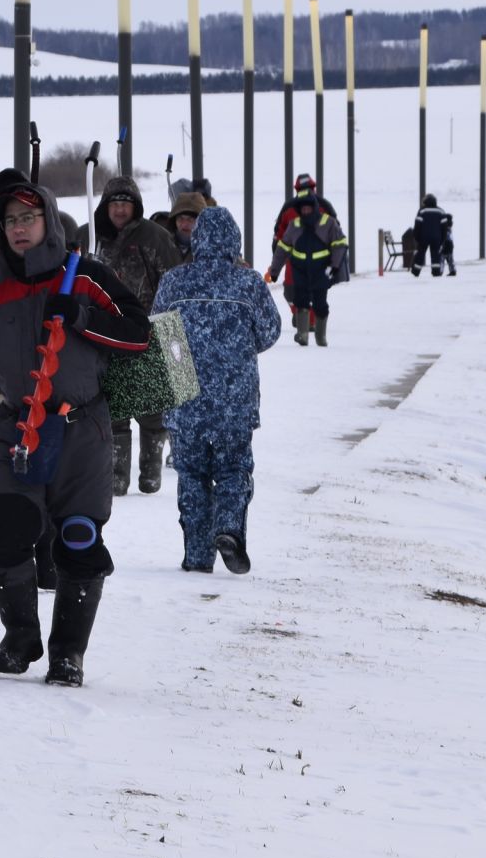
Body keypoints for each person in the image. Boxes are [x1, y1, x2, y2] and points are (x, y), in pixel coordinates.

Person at [0, 171, 150, 687]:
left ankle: (68, 654)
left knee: (79, 540)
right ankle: (20, 638)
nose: (20, 228)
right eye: (10, 221)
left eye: (29, 217)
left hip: (81, 427)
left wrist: (83, 318)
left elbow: (140, 335)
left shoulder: (85, 275)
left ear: (48, 219)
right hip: (16, 427)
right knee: (2, 535)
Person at [152, 207, 281, 573]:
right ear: (234, 241)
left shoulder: (174, 282)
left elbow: (158, 330)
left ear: (197, 239)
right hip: (234, 397)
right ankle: (228, 527)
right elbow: (270, 331)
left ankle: (196, 556)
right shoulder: (249, 283)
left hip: (184, 394)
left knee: (191, 474)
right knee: (233, 468)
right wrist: (237, 350)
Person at [93, 174, 183, 496]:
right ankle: (117, 475)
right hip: (106, 332)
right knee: (115, 408)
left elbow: (173, 282)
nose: (119, 210)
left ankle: (150, 471)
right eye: (114, 204)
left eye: (125, 204)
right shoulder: (95, 238)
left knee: (150, 409)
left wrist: (168, 327)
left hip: (148, 330)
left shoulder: (154, 237)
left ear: (136, 207)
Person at [273, 189, 349, 346]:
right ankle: (302, 335)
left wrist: (335, 266)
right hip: (299, 270)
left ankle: (321, 338)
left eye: (308, 208)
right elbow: (282, 249)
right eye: (303, 208)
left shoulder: (328, 223)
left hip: (321, 271)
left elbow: (340, 244)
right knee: (300, 301)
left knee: (320, 304)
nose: (306, 211)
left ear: (314, 208)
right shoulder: (294, 226)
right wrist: (274, 271)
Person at [411, 194, 456, 276]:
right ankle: (436, 272)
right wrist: (442, 239)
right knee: (435, 255)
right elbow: (444, 227)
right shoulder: (441, 211)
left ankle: (416, 272)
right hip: (436, 238)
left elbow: (417, 225)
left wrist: (416, 237)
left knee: (420, 254)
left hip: (423, 237)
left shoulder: (422, 211)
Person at [167, 190, 209, 259]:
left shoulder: (213, 249)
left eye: (190, 220)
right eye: (180, 219)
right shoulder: (163, 244)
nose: (184, 225)